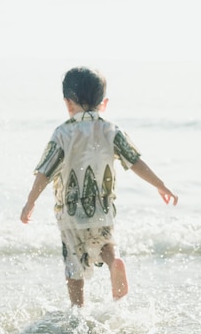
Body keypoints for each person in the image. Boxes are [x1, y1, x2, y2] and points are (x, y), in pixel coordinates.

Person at [20, 66, 178, 307]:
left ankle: (78, 312)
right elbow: (135, 161)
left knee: (74, 265)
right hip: (102, 210)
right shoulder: (111, 129)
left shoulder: (62, 133)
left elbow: (45, 172)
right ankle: (114, 261)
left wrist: (30, 202)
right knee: (105, 245)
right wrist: (161, 185)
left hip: (71, 215)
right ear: (103, 103)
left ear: (67, 103)